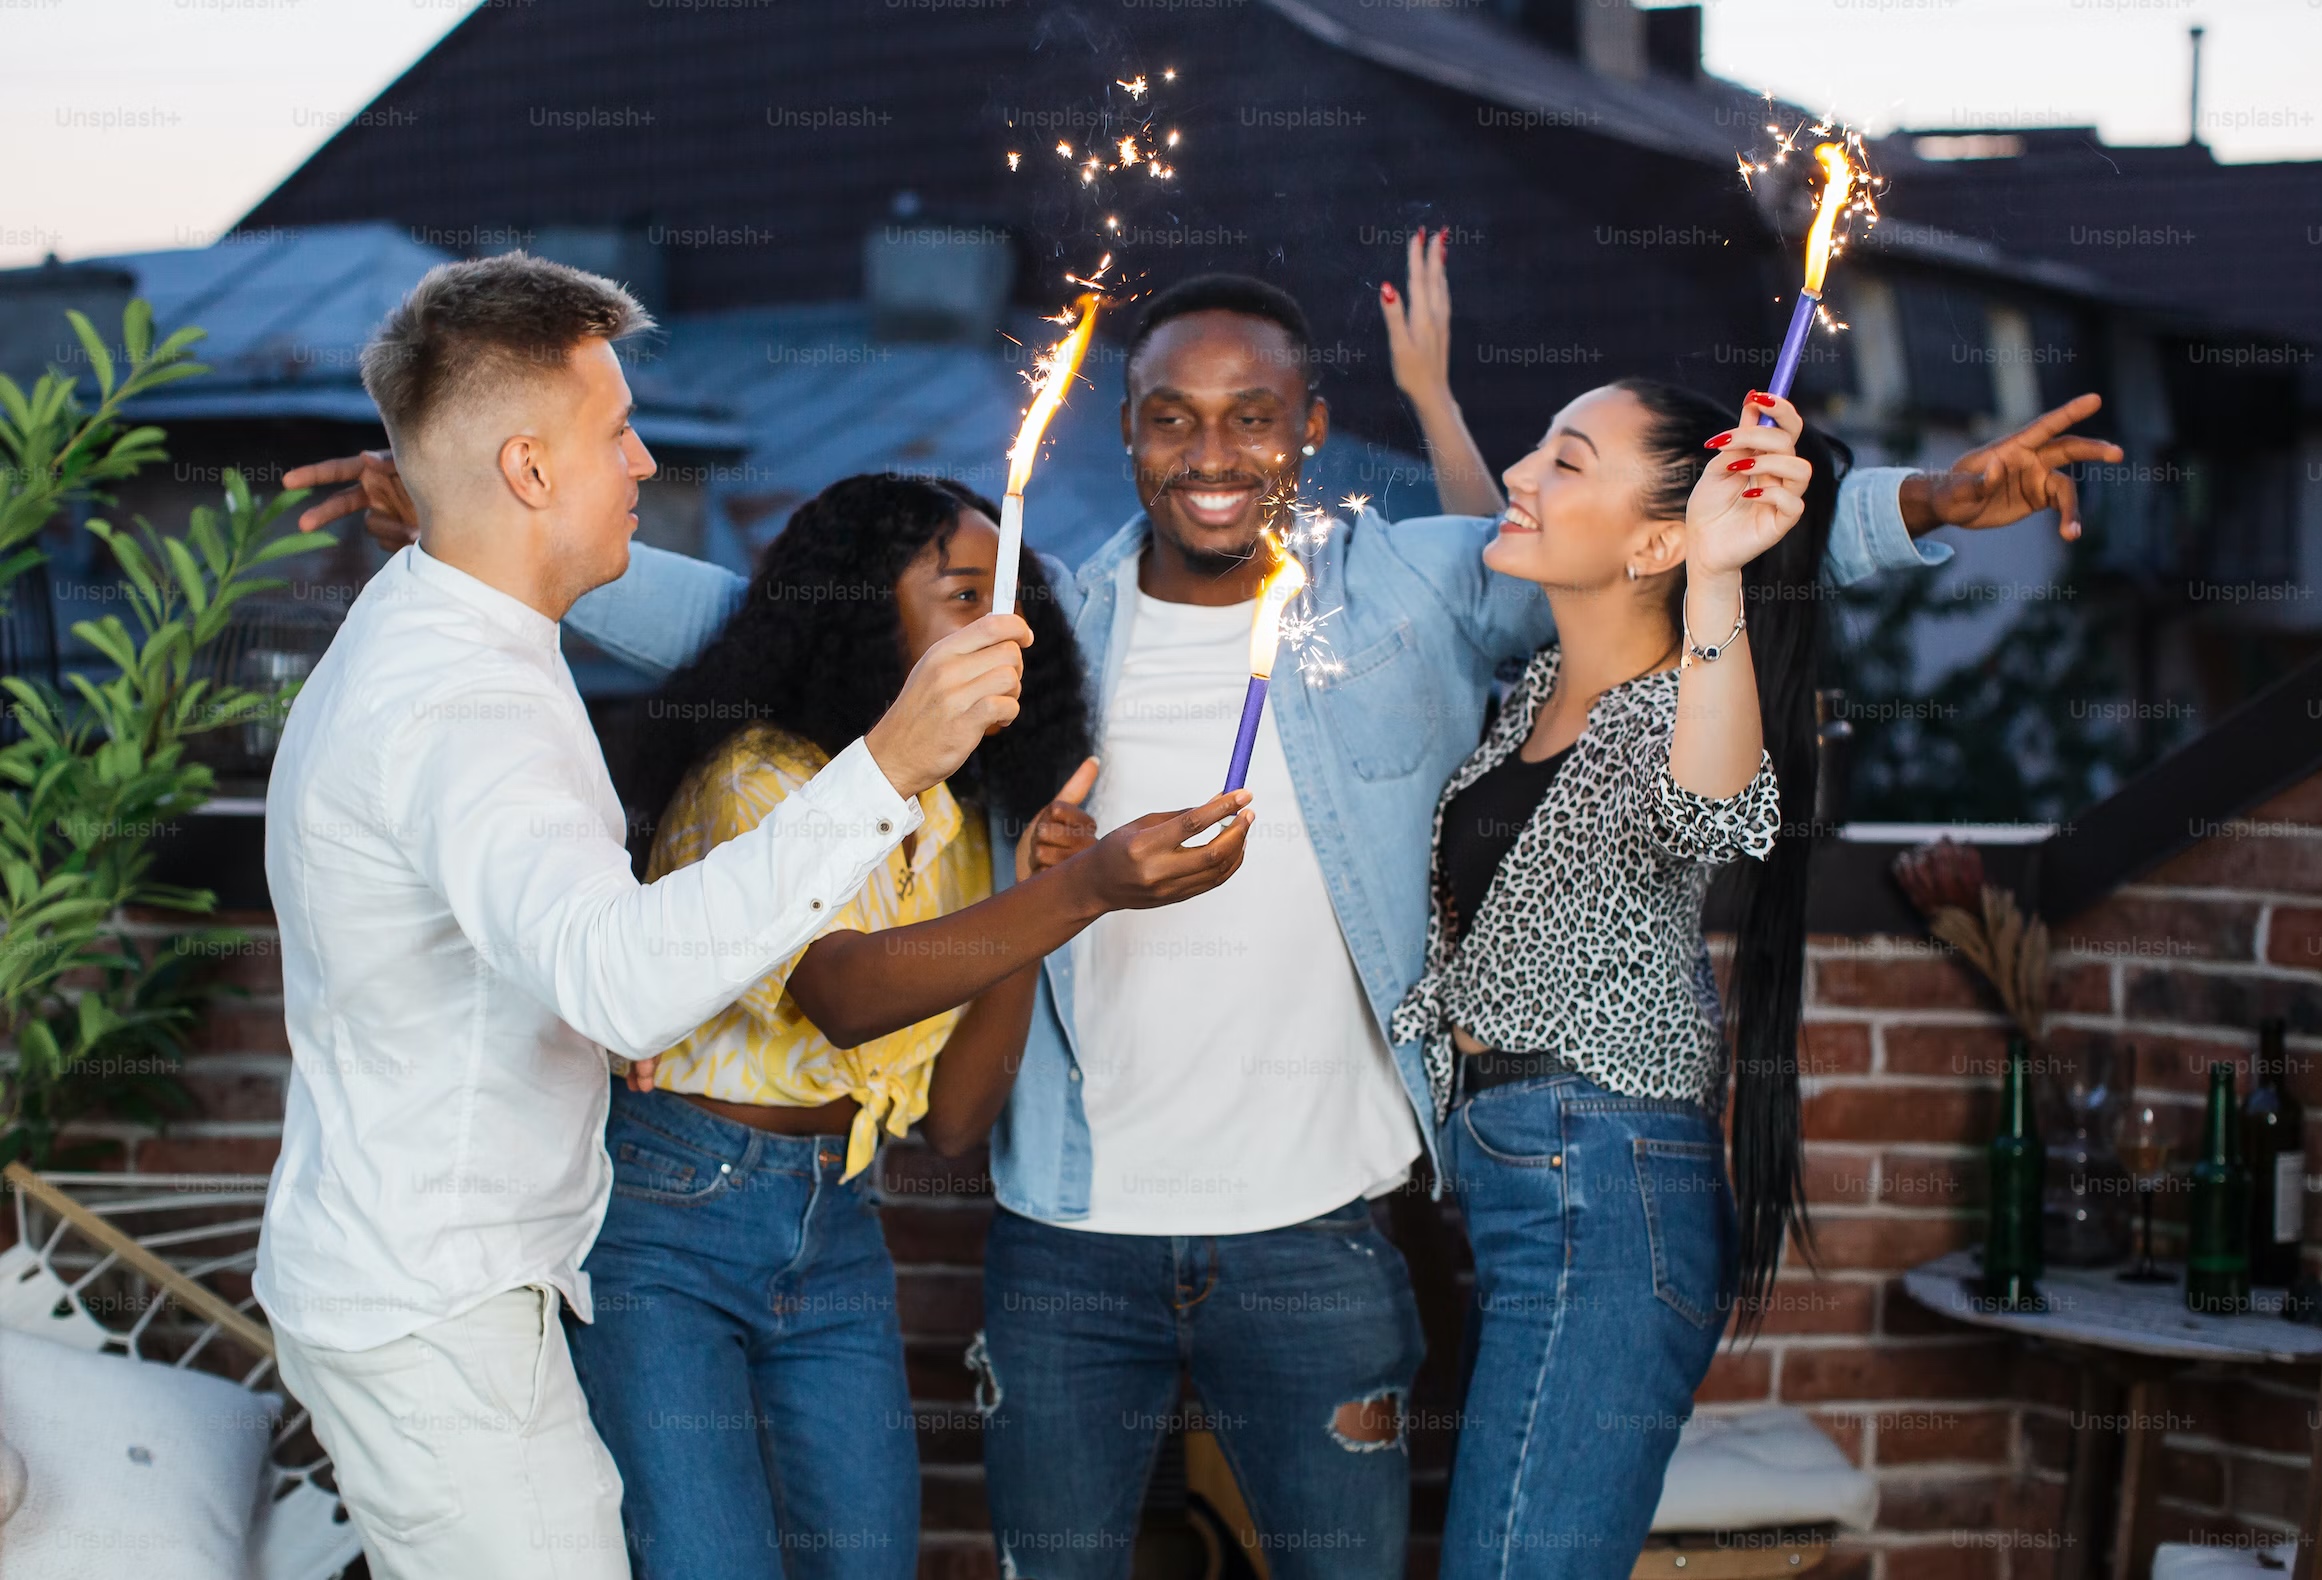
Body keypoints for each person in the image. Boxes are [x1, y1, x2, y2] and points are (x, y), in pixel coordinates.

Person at [289, 258, 2119, 1578]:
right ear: (1129, 436)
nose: (1214, 451)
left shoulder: (1404, 593)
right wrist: (463, 524)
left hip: (1324, 1233)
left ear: (1309, 431)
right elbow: (761, 622)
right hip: (1070, 1238)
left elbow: (1677, 531)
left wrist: (1926, 503)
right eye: (1170, 418)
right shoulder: (1031, 623)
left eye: (1256, 416)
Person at [256, 254, 1034, 1580]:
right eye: (613, 429)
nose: (639, 458)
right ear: (527, 470)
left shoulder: (455, 613)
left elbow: (548, 927)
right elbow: (617, 980)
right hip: (435, 1314)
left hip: (433, 1286)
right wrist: (887, 763)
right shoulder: (467, 705)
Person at [565, 472, 1253, 1580]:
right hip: (675, 1218)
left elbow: (955, 1121)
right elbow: (840, 991)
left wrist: (1033, 900)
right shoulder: (758, 776)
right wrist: (1077, 896)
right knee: (707, 1559)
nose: (1003, 626)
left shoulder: (958, 819)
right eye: (962, 594)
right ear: (860, 609)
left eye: (1013, 595)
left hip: (838, 1220)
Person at [1388, 378, 1829, 1578]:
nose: (1527, 473)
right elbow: (1498, 524)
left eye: (1567, 460)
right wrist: (1435, 393)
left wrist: (1722, 573)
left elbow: (1717, 798)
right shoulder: (1543, 689)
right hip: (1544, 1195)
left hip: (1605, 1199)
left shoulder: (1673, 712)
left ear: (1656, 543)